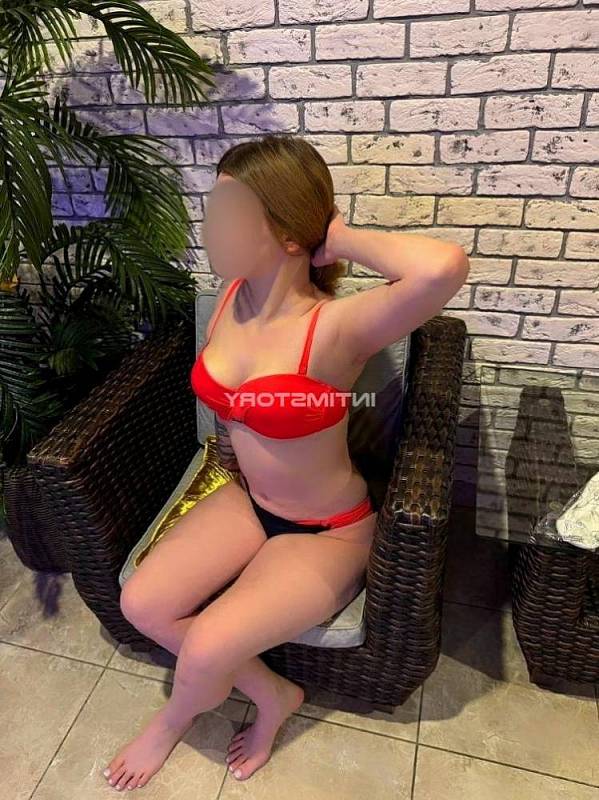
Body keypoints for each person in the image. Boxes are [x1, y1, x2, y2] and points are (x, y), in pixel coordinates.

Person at [103, 134, 469, 791]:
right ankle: (274, 691)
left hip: (326, 531)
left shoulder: (335, 328)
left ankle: (171, 723)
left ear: (290, 235)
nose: (210, 231)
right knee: (141, 603)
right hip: (246, 501)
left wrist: (338, 236)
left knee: (206, 647)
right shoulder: (229, 295)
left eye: (232, 216)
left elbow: (441, 267)